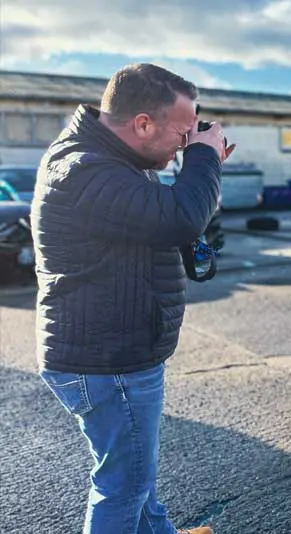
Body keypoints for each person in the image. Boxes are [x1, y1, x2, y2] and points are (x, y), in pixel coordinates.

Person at [31, 63, 235, 534]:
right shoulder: (85, 169)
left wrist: (202, 170)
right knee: (122, 487)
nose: (185, 145)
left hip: (112, 352)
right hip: (108, 362)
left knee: (135, 476)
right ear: (143, 123)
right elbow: (179, 218)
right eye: (182, 135)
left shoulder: (114, 163)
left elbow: (168, 223)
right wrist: (203, 160)